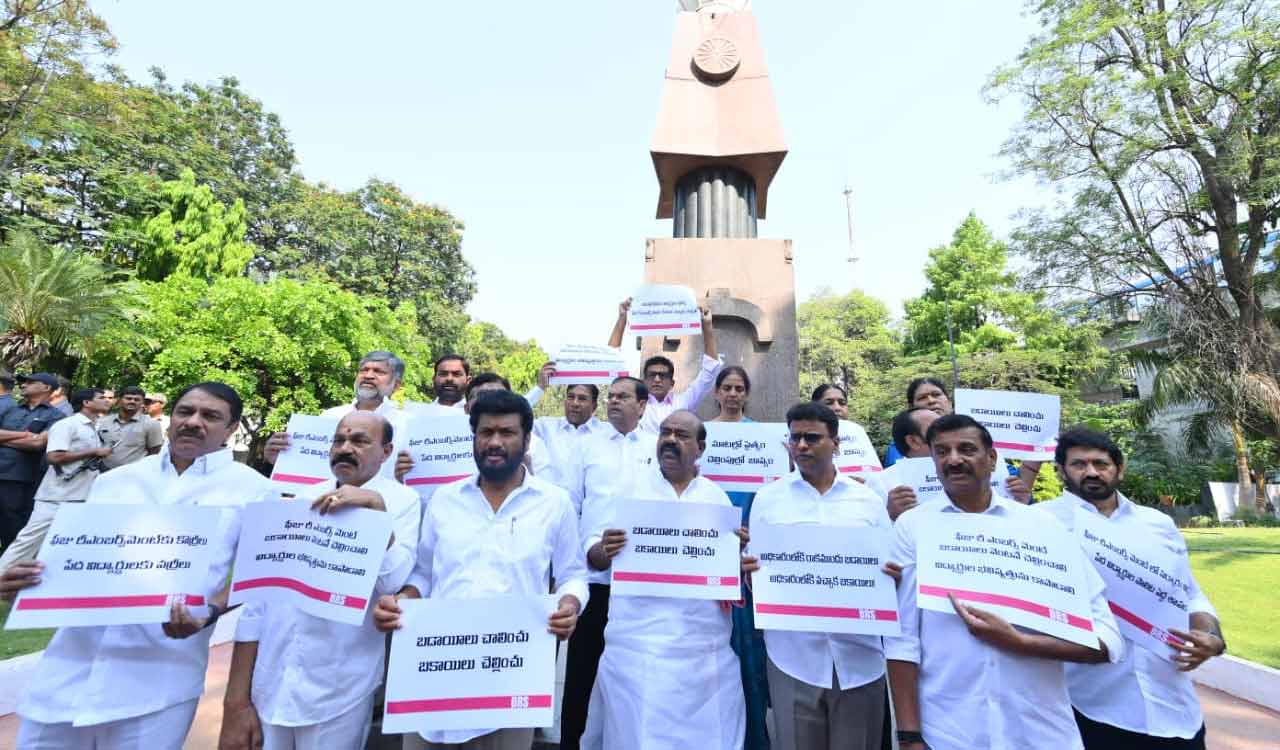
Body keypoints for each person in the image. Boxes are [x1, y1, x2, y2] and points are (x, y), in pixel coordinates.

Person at [3, 381, 275, 749]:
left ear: (230, 429)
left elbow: (258, 574)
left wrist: (210, 612)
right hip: (67, 671)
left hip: (158, 682)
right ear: (169, 417)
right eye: (185, 411)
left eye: (210, 416)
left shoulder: (254, 491)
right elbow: (80, 560)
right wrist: (27, 583)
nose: (193, 422)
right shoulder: (115, 482)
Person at [885, 414, 1123, 750]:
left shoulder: (1044, 527)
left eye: (967, 449)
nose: (954, 459)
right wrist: (909, 737)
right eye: (942, 451)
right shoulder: (912, 527)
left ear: (992, 459)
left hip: (1039, 731)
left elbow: (1108, 641)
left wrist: (1020, 642)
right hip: (950, 732)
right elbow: (902, 641)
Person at [373, 390, 588, 750]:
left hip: (511, 682)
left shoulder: (555, 503)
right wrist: (403, 599)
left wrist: (569, 603)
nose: (494, 442)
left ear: (526, 439)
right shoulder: (444, 498)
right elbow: (424, 573)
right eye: (485, 432)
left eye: (506, 433)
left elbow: (573, 573)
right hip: (435, 674)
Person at [220, 412, 420, 750]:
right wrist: (235, 701)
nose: (345, 448)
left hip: (341, 687)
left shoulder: (402, 502)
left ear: (386, 452)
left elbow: (393, 585)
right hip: (273, 681)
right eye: (339, 440)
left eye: (359, 441)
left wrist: (376, 513)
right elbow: (258, 602)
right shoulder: (295, 499)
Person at [1035, 428, 1224, 750]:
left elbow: (1189, 593)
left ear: (1119, 469)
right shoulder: (1039, 522)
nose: (1091, 472)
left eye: (1101, 463)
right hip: (1087, 706)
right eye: (1079, 464)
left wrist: (1213, 638)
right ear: (1061, 470)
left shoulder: (1158, 524)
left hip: (1175, 706)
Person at [580, 410, 748, 749]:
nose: (670, 440)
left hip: (704, 651)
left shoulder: (716, 499)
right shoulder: (628, 489)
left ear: (700, 447)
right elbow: (591, 554)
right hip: (638, 648)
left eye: (681, 435)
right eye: (665, 432)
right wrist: (605, 549)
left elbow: (729, 574)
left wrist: (736, 557)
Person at [747, 402, 892, 750]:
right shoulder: (768, 499)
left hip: (860, 658)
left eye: (812, 438)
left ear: (836, 443)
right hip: (793, 658)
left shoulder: (868, 500)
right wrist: (751, 575)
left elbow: (888, 566)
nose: (801, 446)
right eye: (794, 438)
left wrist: (890, 576)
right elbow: (756, 573)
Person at [560, 376, 658, 750]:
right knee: (582, 674)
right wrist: (589, 550)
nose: (614, 402)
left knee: (633, 676)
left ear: (642, 405)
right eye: (611, 396)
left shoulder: (656, 446)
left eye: (623, 397)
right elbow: (571, 505)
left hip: (641, 584)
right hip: (595, 578)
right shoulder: (587, 447)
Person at [709, 366, 770, 750]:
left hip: (750, 553)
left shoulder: (763, 439)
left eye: (739, 388)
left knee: (751, 650)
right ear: (716, 393)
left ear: (746, 394)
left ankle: (755, 737)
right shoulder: (704, 435)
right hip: (709, 550)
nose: (732, 394)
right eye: (726, 388)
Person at [0, 388, 112, 570]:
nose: (107, 401)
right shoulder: (67, 424)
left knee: (71, 543)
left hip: (82, 495)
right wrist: (94, 452)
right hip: (56, 496)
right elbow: (54, 457)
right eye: (101, 398)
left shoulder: (94, 427)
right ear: (87, 403)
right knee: (28, 541)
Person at [263, 351, 412, 480]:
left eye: (379, 372)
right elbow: (309, 469)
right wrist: (279, 461)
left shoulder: (408, 425)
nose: (369, 375)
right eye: (364, 370)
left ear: (396, 385)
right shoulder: (329, 416)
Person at [607, 298, 721, 433]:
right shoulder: (633, 404)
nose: (657, 379)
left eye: (662, 376)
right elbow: (612, 363)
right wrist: (622, 319)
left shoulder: (684, 403)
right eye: (651, 375)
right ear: (643, 381)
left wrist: (707, 327)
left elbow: (710, 370)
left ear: (672, 383)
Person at [0, 373, 66, 551]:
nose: (23, 385)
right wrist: (24, 435)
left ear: (46, 388)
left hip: (20, 476)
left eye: (30, 382)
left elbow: (37, 443)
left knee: (12, 521)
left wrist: (6, 438)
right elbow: (31, 439)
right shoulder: (12, 409)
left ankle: (12, 564)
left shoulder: (56, 416)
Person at [531, 382, 606, 510]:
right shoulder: (544, 427)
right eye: (570, 397)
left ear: (594, 406)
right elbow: (510, 414)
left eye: (582, 399)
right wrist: (540, 387)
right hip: (549, 513)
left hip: (591, 518)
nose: (575, 403)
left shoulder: (607, 433)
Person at [97, 385, 165, 470]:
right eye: (128, 398)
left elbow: (155, 452)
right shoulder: (103, 422)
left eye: (137, 399)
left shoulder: (151, 424)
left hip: (134, 475)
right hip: (102, 472)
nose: (132, 401)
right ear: (119, 400)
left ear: (142, 403)